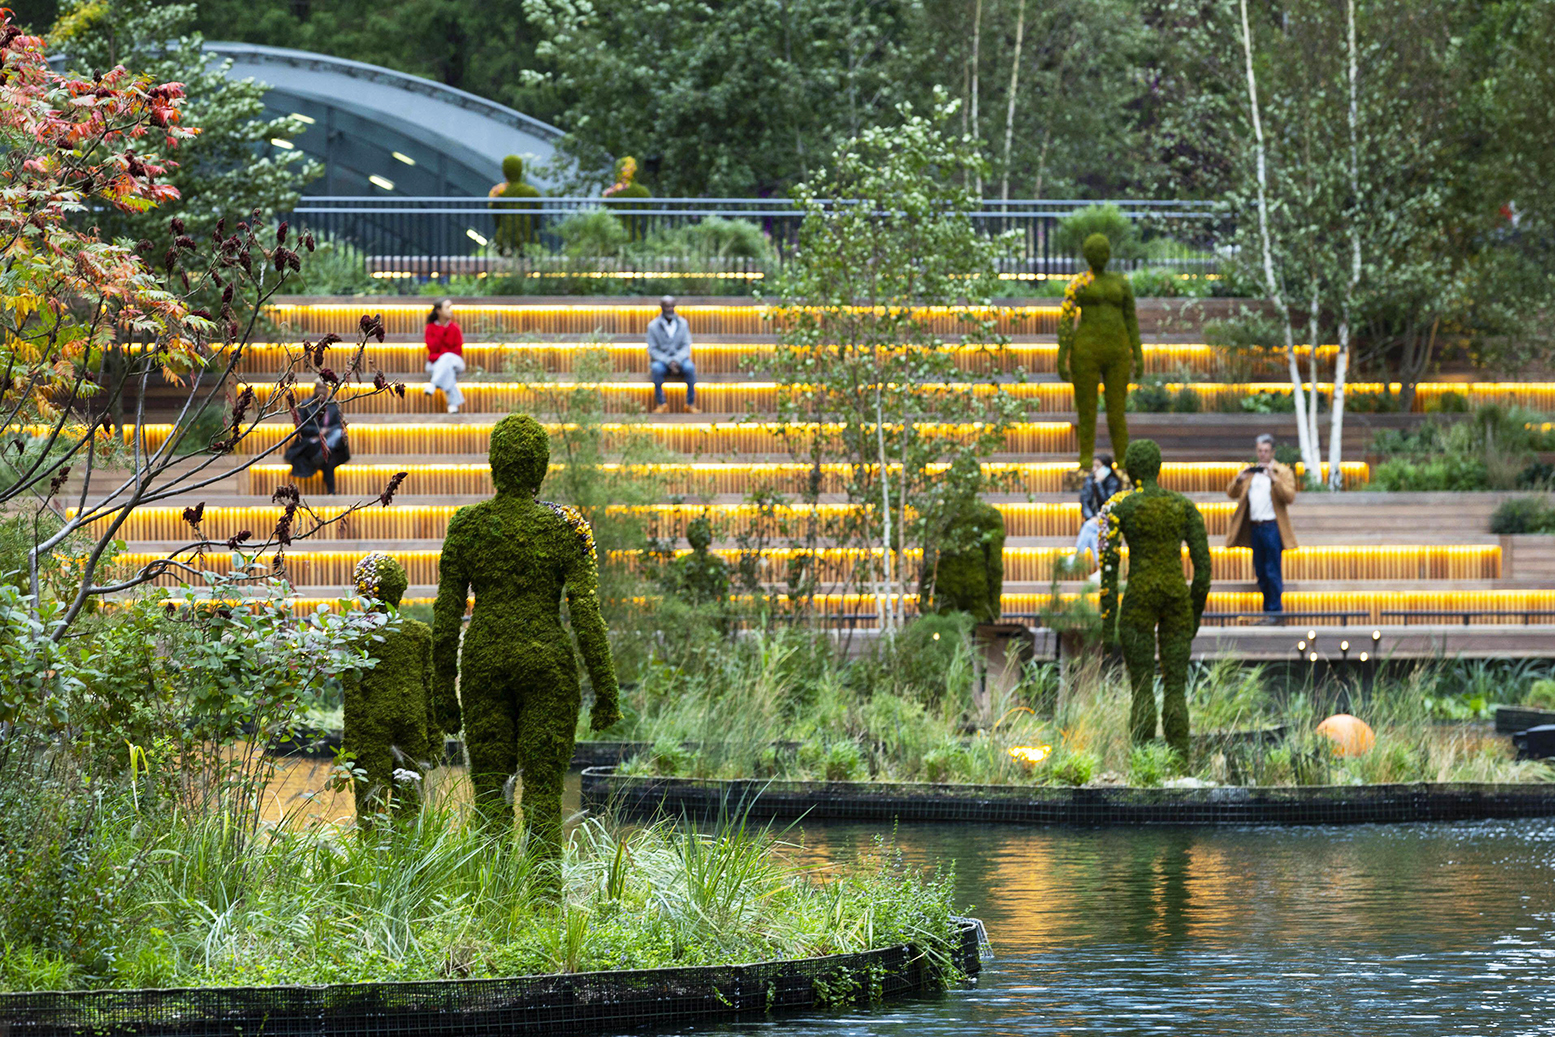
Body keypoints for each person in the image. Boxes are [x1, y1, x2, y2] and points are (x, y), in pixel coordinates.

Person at [1226, 433, 1298, 620]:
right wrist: (1239, 479)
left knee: (1272, 571)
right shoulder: (1251, 473)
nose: (1263, 454)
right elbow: (1231, 493)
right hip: (1255, 528)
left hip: (1272, 527)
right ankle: (1268, 612)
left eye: (1266, 451)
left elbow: (1289, 496)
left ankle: (1275, 612)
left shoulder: (1282, 472)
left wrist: (1274, 478)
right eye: (1260, 451)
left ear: (1273, 452)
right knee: (1260, 572)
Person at [285, 381, 349, 494]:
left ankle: (323, 453)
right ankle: (331, 491)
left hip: (329, 438)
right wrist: (318, 432)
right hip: (310, 440)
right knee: (329, 459)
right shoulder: (306, 405)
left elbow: (338, 424)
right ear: (315, 389)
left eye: (324, 388)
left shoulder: (333, 406)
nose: (322, 391)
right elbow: (300, 426)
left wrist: (327, 431)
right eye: (319, 388)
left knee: (338, 434)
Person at [647, 295, 698, 414]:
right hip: (662, 361)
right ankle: (661, 404)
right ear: (661, 307)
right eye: (667, 306)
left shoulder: (683, 323)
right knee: (656, 368)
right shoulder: (653, 326)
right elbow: (652, 350)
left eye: (671, 306)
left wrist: (676, 360)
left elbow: (686, 346)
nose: (669, 309)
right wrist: (668, 361)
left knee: (690, 368)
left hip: (680, 360)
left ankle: (690, 404)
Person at [1074, 452, 1123, 566]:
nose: (1094, 469)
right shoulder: (1090, 480)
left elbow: (1107, 503)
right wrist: (1091, 517)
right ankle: (1102, 567)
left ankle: (1077, 559)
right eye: (1094, 466)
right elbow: (1085, 501)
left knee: (1089, 528)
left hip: (1108, 521)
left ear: (1107, 467)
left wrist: (1099, 484)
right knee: (1092, 534)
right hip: (1094, 521)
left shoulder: (1113, 482)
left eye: (1098, 466)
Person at [424, 299, 465, 415]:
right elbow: (432, 347)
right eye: (447, 308)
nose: (450, 311)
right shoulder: (431, 328)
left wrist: (444, 355)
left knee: (447, 358)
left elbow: (457, 350)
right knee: (448, 371)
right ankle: (453, 404)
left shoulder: (455, 328)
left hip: (455, 362)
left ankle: (434, 383)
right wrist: (441, 329)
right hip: (436, 364)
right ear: (439, 311)